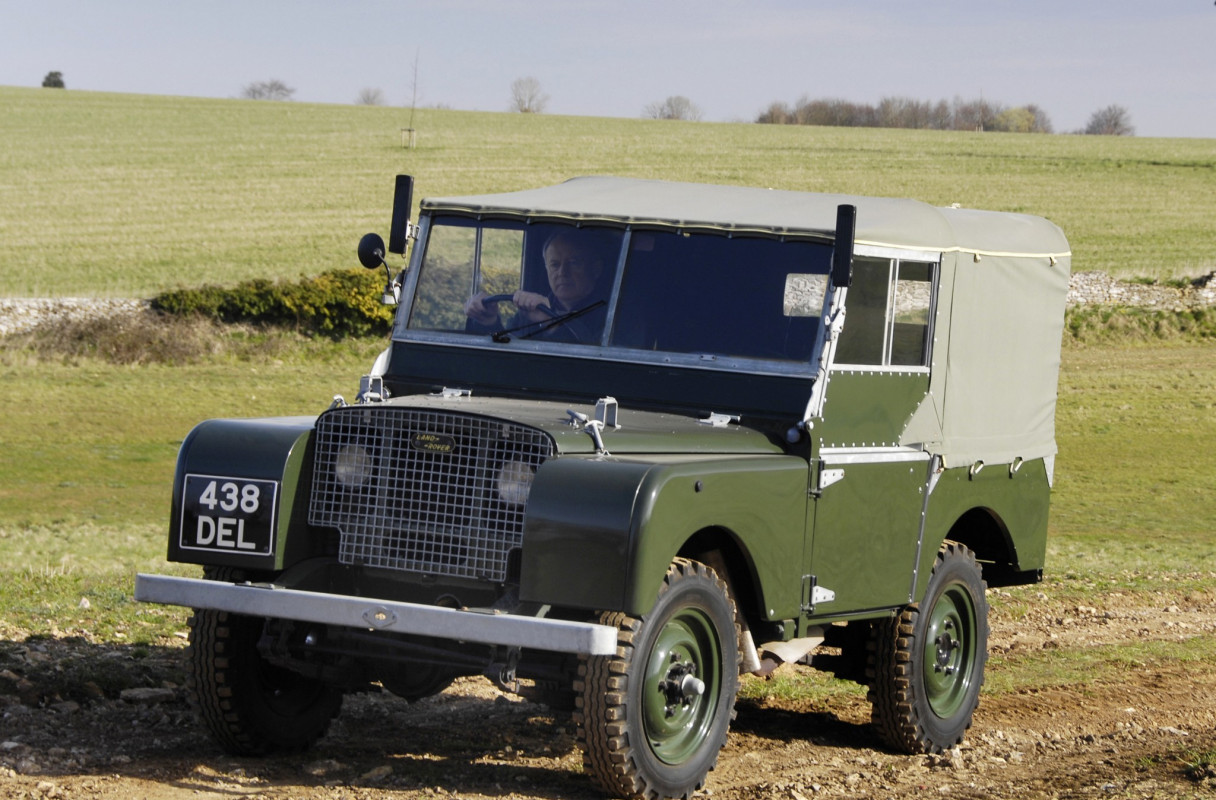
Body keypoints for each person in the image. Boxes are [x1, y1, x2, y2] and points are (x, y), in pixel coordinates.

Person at [464, 230, 609, 342]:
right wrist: (488, 321)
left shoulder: (610, 315)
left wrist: (552, 324)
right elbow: (505, 354)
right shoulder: (530, 311)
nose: (562, 273)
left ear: (596, 269)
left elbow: (592, 358)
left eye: (574, 263)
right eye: (555, 265)